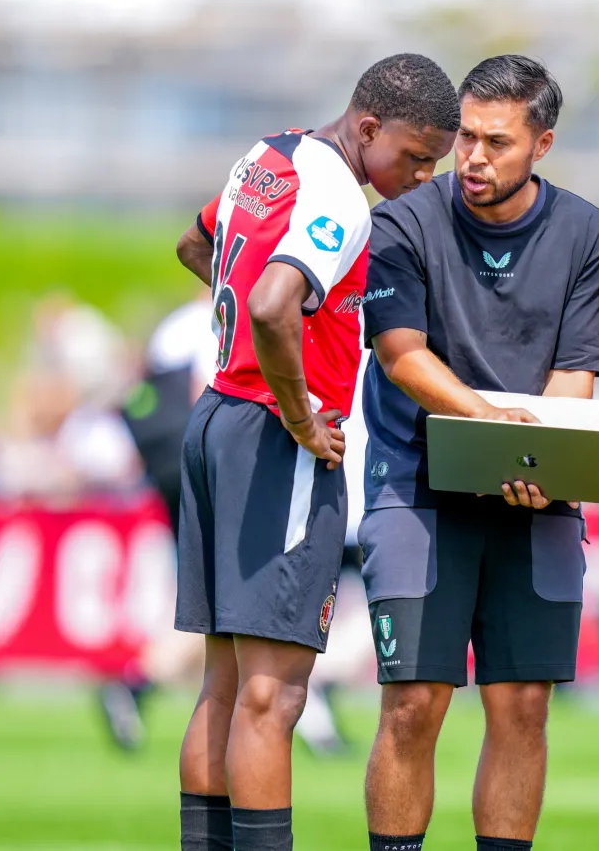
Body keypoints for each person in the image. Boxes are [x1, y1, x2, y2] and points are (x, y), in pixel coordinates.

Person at [169, 53, 459, 851]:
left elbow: (199, 247)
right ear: (368, 128)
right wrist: (301, 416)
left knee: (224, 686)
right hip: (274, 435)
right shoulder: (340, 195)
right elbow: (271, 304)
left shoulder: (270, 154)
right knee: (275, 697)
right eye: (414, 155)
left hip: (217, 421)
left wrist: (250, 335)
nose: (424, 173)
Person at [358, 55, 599, 851]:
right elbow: (402, 354)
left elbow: (576, 372)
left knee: (524, 707)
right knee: (413, 704)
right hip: (416, 488)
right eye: (466, 137)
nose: (473, 157)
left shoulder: (587, 232)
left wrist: (536, 466)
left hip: (535, 498)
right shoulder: (402, 219)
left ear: (543, 143)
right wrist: (503, 436)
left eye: (496, 142)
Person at [98, 291, 350, 757]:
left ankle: (142, 685)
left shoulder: (176, 322)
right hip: (230, 466)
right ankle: (141, 684)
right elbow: (211, 394)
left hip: (181, 468)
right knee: (242, 599)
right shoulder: (217, 319)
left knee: (219, 599)